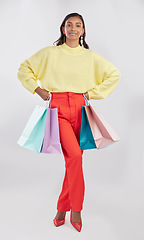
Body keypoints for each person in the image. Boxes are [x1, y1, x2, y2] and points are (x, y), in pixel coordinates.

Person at [17, 12, 121, 232]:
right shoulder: (49, 53)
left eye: (78, 25)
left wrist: (93, 93)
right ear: (62, 29)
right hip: (59, 109)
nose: (73, 28)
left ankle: (61, 209)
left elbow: (114, 74)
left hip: (81, 108)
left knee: (72, 163)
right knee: (74, 157)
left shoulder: (91, 57)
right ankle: (76, 210)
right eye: (69, 25)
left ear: (83, 31)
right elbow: (24, 68)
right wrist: (37, 89)